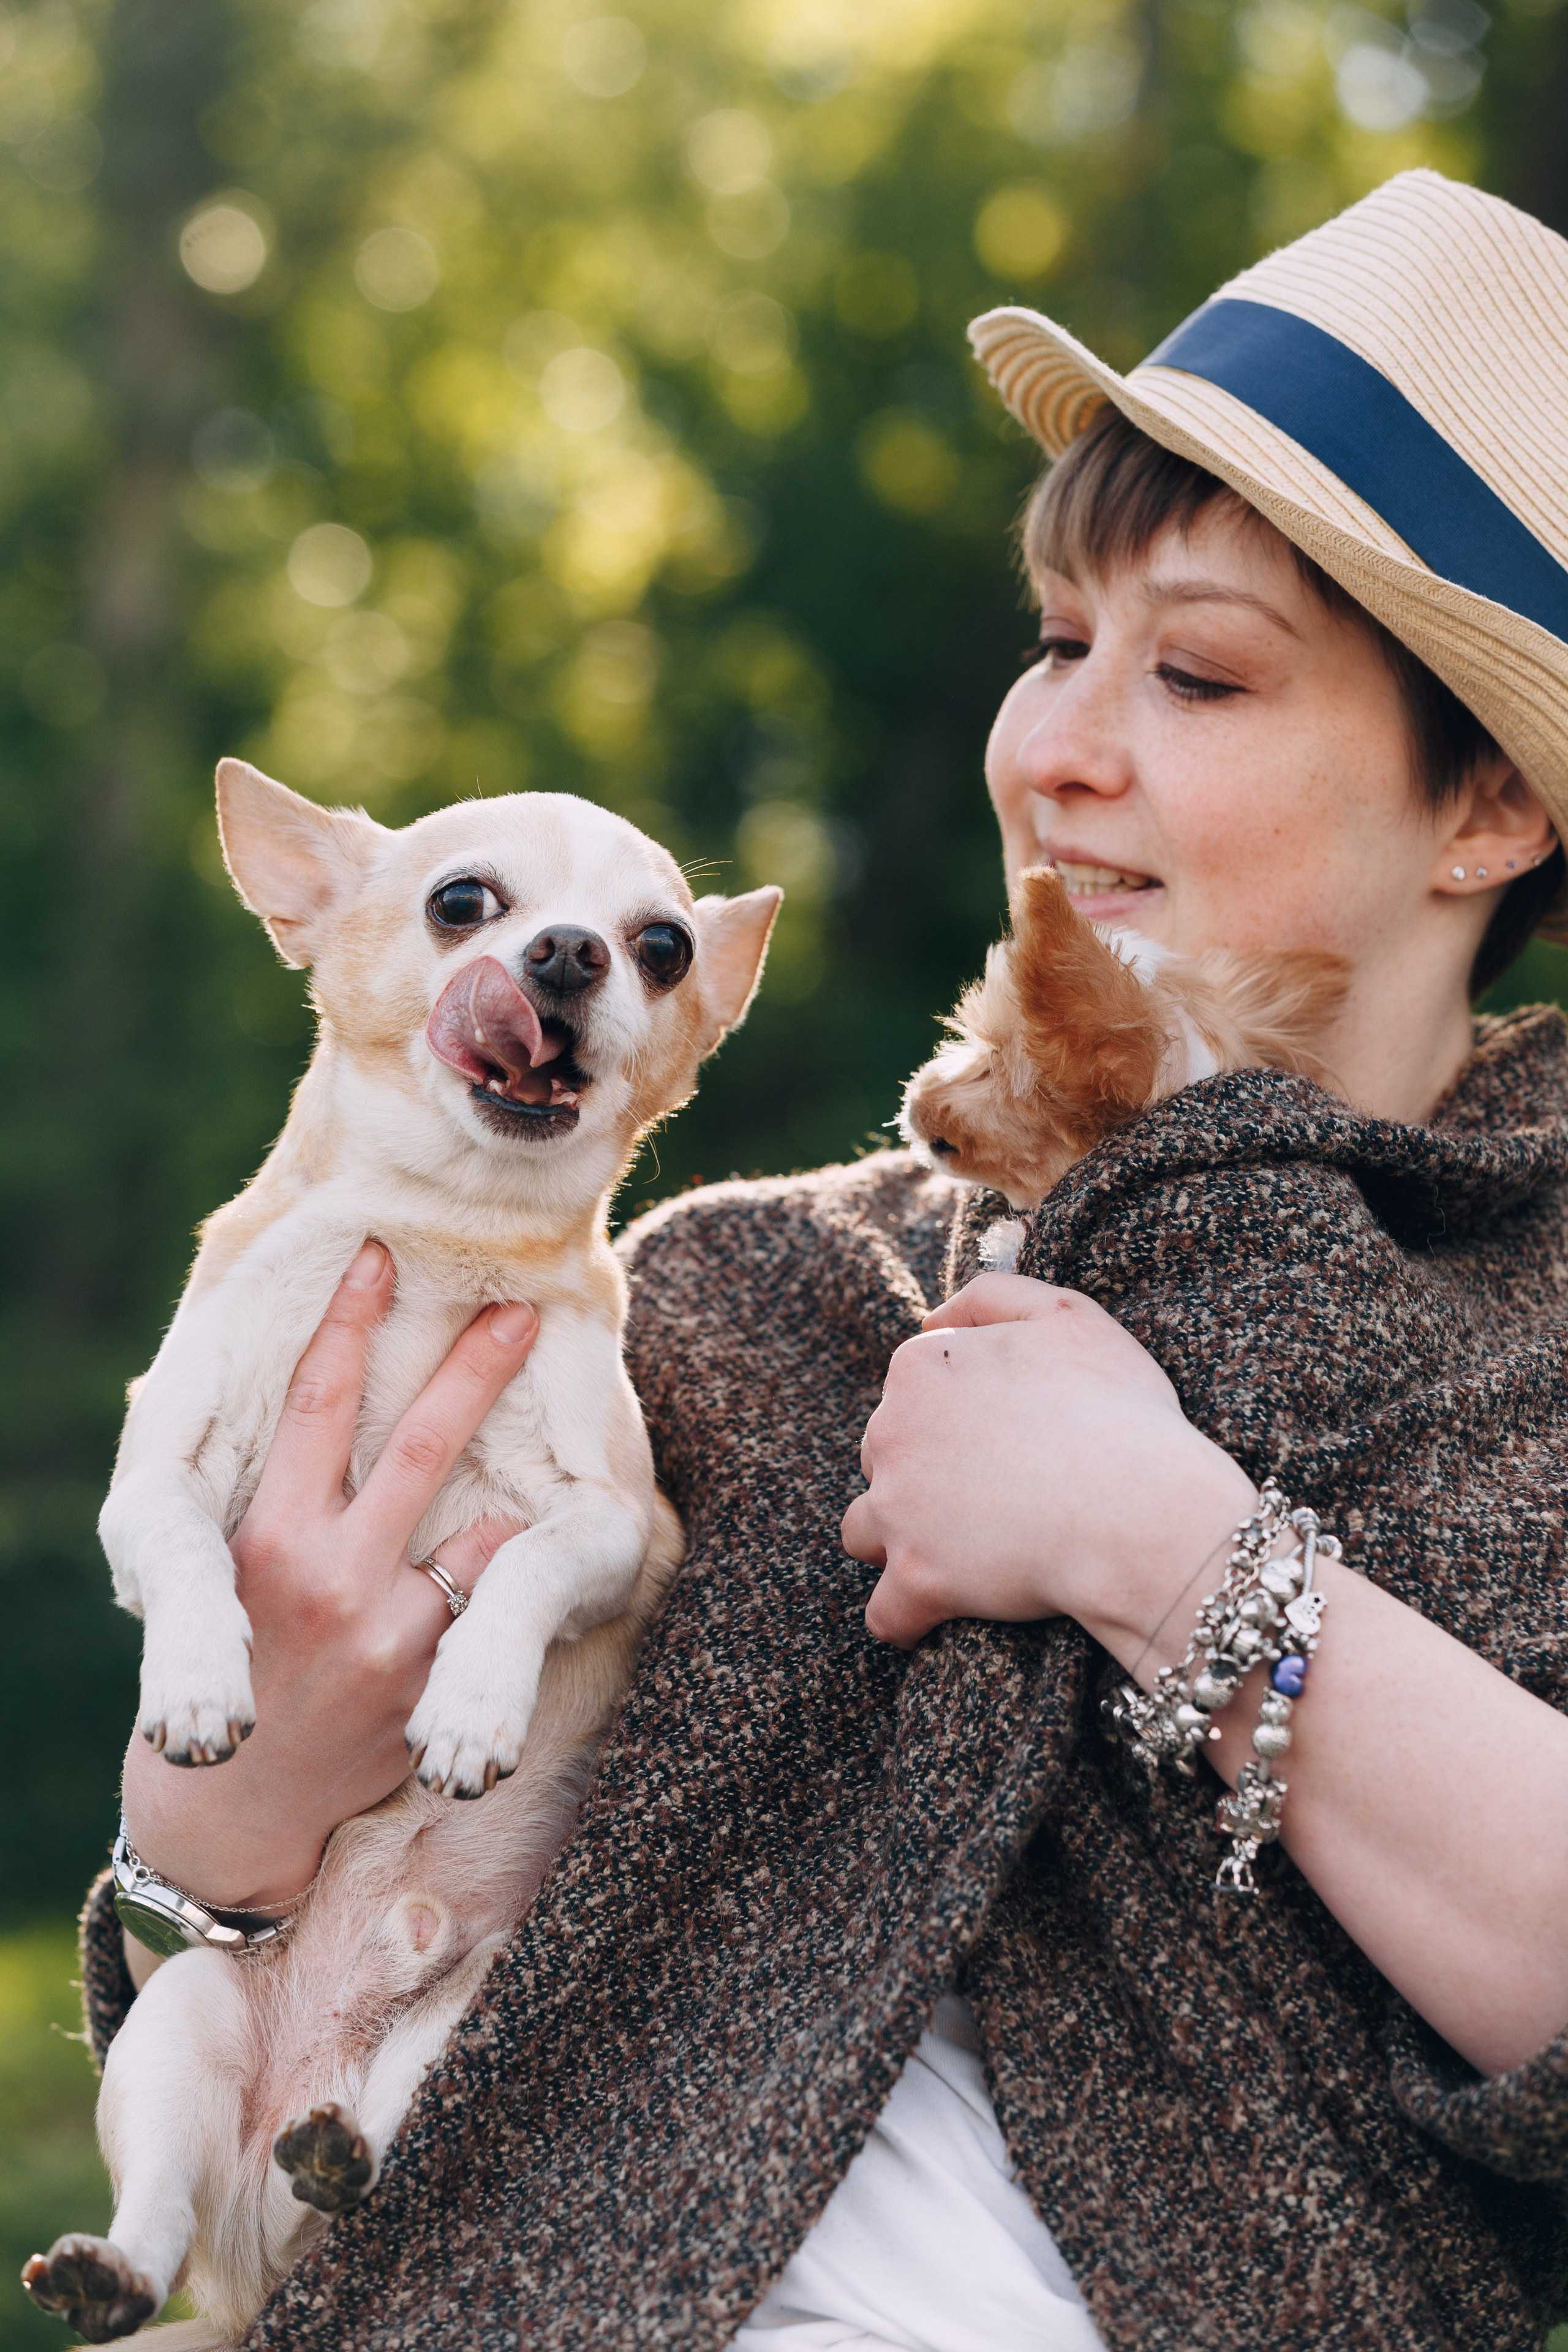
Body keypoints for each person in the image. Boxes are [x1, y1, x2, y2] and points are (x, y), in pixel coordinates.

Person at [80, 169, 1568, 2350]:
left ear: (1493, 812)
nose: (1058, 746)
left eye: (1202, 676)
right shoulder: (718, 1298)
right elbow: (248, 1932)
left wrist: (1163, 1545)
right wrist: (215, 1815)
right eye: (1060, 643)